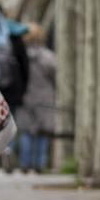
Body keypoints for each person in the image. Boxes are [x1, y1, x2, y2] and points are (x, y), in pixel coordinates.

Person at [13, 29, 58, 174]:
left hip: (26, 96)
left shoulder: (20, 56)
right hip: (44, 98)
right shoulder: (48, 57)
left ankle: (25, 164)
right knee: (42, 132)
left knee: (27, 131)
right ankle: (40, 163)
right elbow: (55, 74)